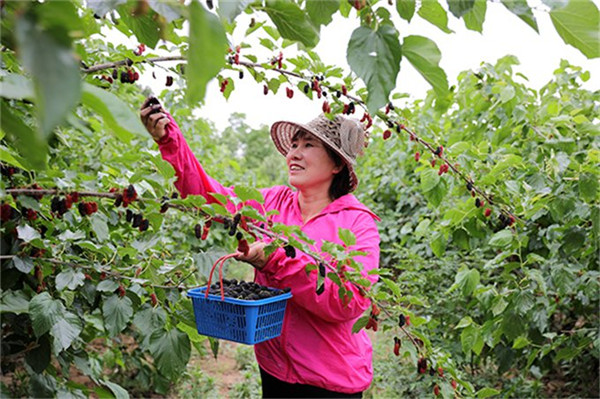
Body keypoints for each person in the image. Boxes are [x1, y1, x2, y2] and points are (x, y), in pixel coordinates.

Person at [140, 98, 381, 398]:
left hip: (330, 381)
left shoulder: (358, 224)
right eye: (293, 145)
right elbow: (213, 200)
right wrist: (169, 140)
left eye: (307, 146)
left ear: (336, 164)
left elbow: (350, 302)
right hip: (275, 369)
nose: (294, 154)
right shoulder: (273, 203)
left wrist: (275, 260)